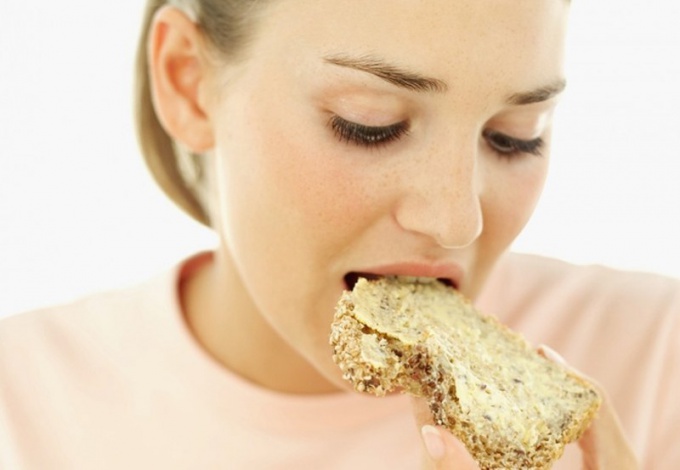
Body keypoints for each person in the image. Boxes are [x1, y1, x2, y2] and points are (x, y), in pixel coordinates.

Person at [0, 0, 677, 468]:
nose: (456, 220)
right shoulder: (19, 408)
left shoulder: (657, 361)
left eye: (514, 137)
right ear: (187, 82)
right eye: (370, 124)